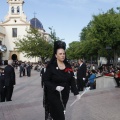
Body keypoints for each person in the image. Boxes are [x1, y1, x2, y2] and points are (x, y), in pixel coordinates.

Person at [43, 40, 80, 120]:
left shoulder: (68, 65)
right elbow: (45, 80)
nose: (63, 55)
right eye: (60, 54)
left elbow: (72, 80)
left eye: (64, 53)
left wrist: (76, 93)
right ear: (56, 55)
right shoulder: (51, 66)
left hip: (64, 95)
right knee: (60, 116)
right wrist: (55, 87)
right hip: (54, 95)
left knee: (59, 114)